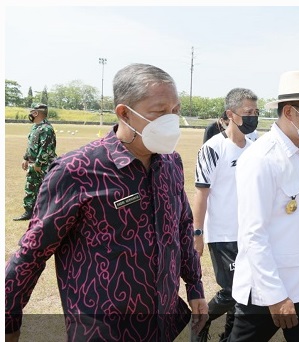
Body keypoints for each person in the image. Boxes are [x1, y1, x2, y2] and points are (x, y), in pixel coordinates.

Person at [5, 63, 208, 342]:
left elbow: (182, 225)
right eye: (160, 112)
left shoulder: (171, 162)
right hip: (102, 328)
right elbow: (33, 251)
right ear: (125, 113)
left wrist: (195, 286)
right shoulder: (77, 170)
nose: (171, 121)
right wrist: (8, 318)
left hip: (160, 323)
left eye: (175, 111)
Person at [229, 71, 299, 342]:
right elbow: (253, 234)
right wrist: (275, 295)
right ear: (289, 111)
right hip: (265, 291)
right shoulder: (261, 158)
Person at [193, 88, 259, 342]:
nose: (253, 117)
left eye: (255, 112)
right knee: (233, 289)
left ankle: (229, 335)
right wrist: (197, 232)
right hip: (223, 234)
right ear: (231, 114)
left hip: (251, 232)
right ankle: (200, 321)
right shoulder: (213, 149)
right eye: (247, 113)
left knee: (246, 291)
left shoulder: (255, 148)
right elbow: (201, 194)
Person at [13, 103, 57, 221]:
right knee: (30, 188)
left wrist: (39, 163)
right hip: (33, 164)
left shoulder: (46, 128)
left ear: (37, 113)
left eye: (32, 112)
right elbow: (31, 145)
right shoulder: (35, 127)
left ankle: (46, 214)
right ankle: (29, 212)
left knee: (46, 189)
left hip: (43, 165)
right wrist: (26, 158)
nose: (30, 114)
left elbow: (46, 148)